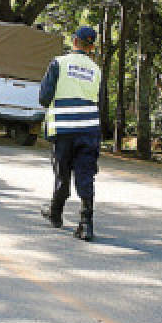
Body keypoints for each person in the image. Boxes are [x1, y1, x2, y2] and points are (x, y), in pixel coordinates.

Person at [39, 25, 102, 241]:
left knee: (62, 172)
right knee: (85, 175)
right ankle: (86, 223)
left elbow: (44, 98)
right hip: (89, 130)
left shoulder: (59, 63)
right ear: (92, 46)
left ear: (74, 41)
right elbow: (99, 101)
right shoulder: (96, 70)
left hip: (63, 129)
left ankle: (55, 213)